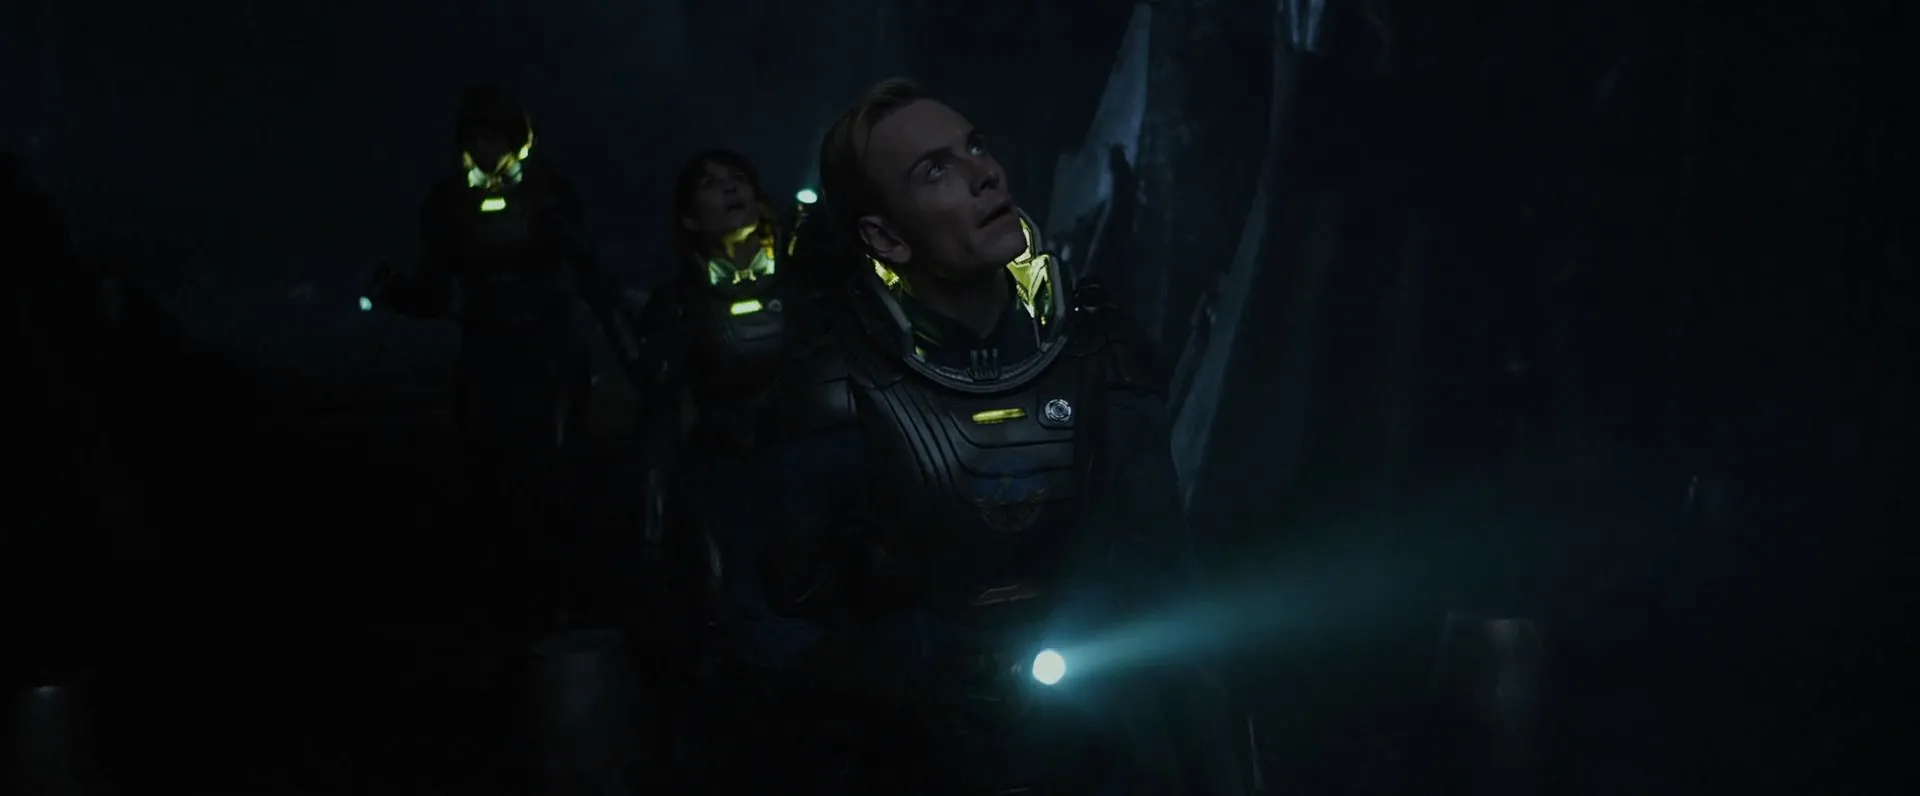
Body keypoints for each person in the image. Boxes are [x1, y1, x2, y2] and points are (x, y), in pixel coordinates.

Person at [714, 78, 1250, 795]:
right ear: (885, 237)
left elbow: (1171, 590)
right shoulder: (835, 396)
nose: (984, 173)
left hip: (1093, 749)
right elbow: (760, 618)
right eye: (935, 170)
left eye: (975, 146)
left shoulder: (1101, 362)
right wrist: (894, 677)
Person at [366, 83, 645, 794]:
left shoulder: (549, 193)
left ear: (517, 137)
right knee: (494, 481)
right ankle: (519, 623)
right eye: (475, 134)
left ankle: (565, 614)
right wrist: (397, 292)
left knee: (556, 478)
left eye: (495, 134)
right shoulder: (447, 201)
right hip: (488, 356)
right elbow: (437, 291)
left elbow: (589, 274)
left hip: (549, 358)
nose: (484, 146)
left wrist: (631, 351)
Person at [631, 149, 829, 787]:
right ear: (690, 217)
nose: (730, 190)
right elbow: (660, 409)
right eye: (711, 186)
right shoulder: (678, 303)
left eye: (737, 179)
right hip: (732, 470)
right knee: (740, 605)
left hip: (814, 465)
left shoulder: (808, 277)